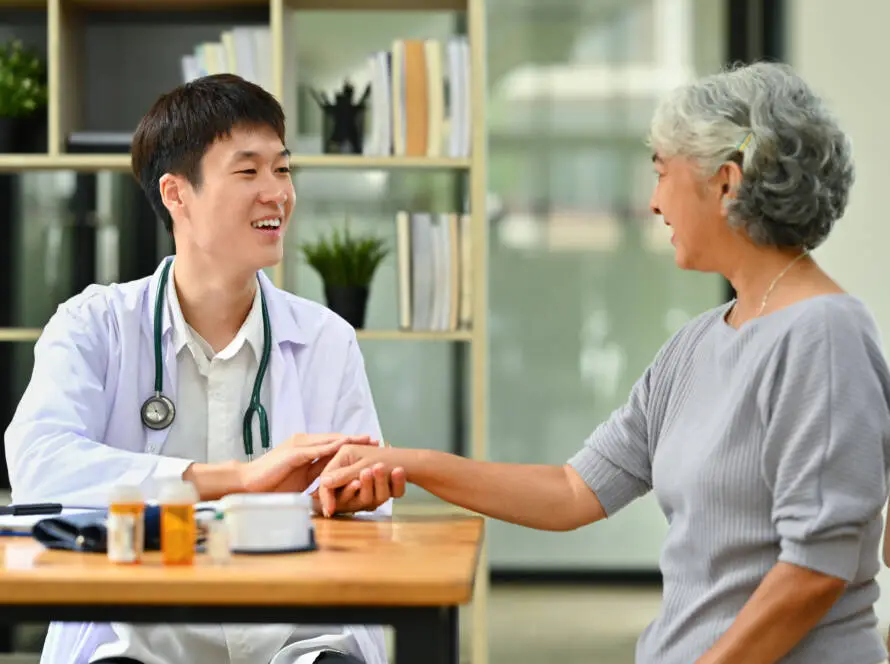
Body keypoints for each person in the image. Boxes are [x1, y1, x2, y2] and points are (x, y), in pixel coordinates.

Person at [317, 61, 890, 664]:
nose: (653, 202)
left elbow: (815, 568)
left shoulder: (825, 335)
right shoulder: (698, 342)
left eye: (662, 173)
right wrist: (409, 464)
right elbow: (572, 490)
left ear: (726, 184)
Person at [4, 74, 405, 664]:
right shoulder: (95, 326)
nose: (276, 193)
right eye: (248, 172)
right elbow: (40, 470)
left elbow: (368, 519)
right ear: (176, 194)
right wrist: (232, 480)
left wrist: (354, 495)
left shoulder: (325, 340)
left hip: (296, 642)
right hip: (133, 642)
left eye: (283, 169)